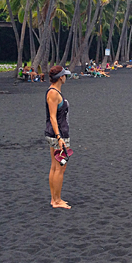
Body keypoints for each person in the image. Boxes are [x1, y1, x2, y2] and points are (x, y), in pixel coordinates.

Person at [45, 66, 72, 209]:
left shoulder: (54, 91)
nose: (66, 78)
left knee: (55, 167)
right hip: (58, 135)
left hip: (55, 134)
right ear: (60, 77)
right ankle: (57, 200)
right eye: (64, 75)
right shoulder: (54, 93)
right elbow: (53, 117)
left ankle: (54, 198)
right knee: (60, 167)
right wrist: (59, 137)